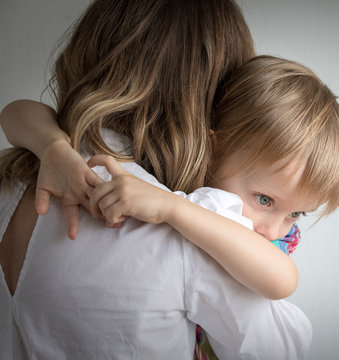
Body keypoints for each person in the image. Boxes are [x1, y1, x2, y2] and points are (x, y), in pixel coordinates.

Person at [0, 0, 315, 358]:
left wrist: (52, 146)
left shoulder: (16, 171)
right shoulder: (190, 229)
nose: (276, 229)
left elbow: (13, 113)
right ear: (215, 100)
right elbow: (279, 350)